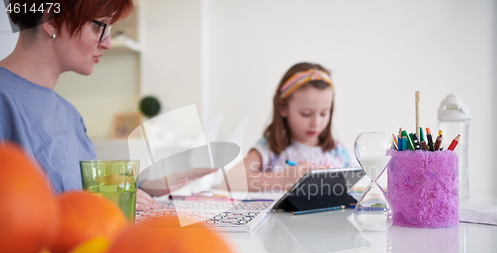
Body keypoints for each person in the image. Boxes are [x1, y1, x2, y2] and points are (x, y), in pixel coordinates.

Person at [0, 0, 210, 210]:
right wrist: (103, 202)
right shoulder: (5, 101)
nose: (107, 43)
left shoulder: (69, 115)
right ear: (52, 22)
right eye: (99, 26)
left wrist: (145, 188)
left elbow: (82, 190)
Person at [225, 62, 351, 192]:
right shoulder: (269, 149)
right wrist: (283, 178)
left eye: (324, 113)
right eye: (306, 114)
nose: (316, 123)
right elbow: (228, 181)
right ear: (283, 107)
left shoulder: (339, 153)